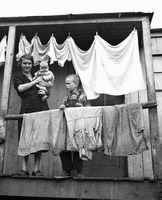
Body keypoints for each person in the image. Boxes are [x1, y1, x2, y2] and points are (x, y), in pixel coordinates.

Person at [13, 54, 49, 177]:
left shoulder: (38, 74)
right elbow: (21, 88)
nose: (27, 65)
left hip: (41, 107)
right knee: (25, 138)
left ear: (32, 64)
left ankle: (37, 169)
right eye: (24, 63)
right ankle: (24, 169)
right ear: (21, 64)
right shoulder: (18, 77)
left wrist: (45, 94)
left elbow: (47, 87)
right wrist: (35, 82)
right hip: (27, 109)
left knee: (39, 138)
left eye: (29, 63)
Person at [59, 74, 90, 177]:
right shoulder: (65, 98)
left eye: (68, 83)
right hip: (67, 126)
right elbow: (63, 112)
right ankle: (66, 170)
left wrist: (82, 107)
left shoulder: (83, 97)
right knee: (64, 147)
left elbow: (89, 110)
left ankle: (78, 171)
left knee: (78, 147)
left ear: (76, 84)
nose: (66, 86)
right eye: (65, 84)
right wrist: (63, 107)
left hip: (78, 126)